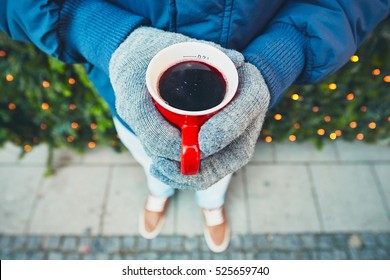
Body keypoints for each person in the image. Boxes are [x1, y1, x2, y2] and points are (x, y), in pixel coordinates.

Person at [1, 0, 389, 253]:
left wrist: (282, 53)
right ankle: (159, 191)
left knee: (219, 164)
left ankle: (211, 203)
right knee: (146, 155)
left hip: (242, 79)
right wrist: (99, 31)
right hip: (123, 81)